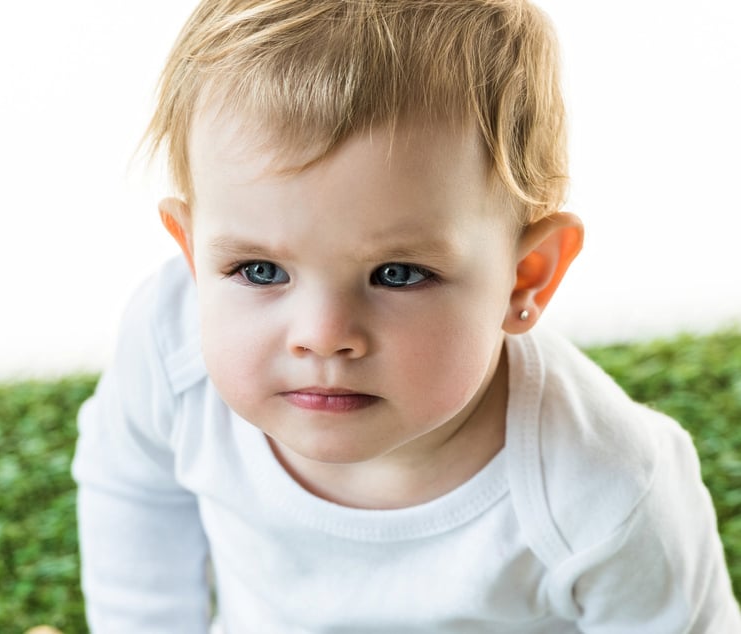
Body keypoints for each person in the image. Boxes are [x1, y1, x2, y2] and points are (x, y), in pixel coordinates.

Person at [71, 0, 741, 631]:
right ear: (191, 253)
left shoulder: (604, 485)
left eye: (398, 274)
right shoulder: (170, 343)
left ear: (523, 277)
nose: (322, 335)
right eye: (259, 271)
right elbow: (131, 494)